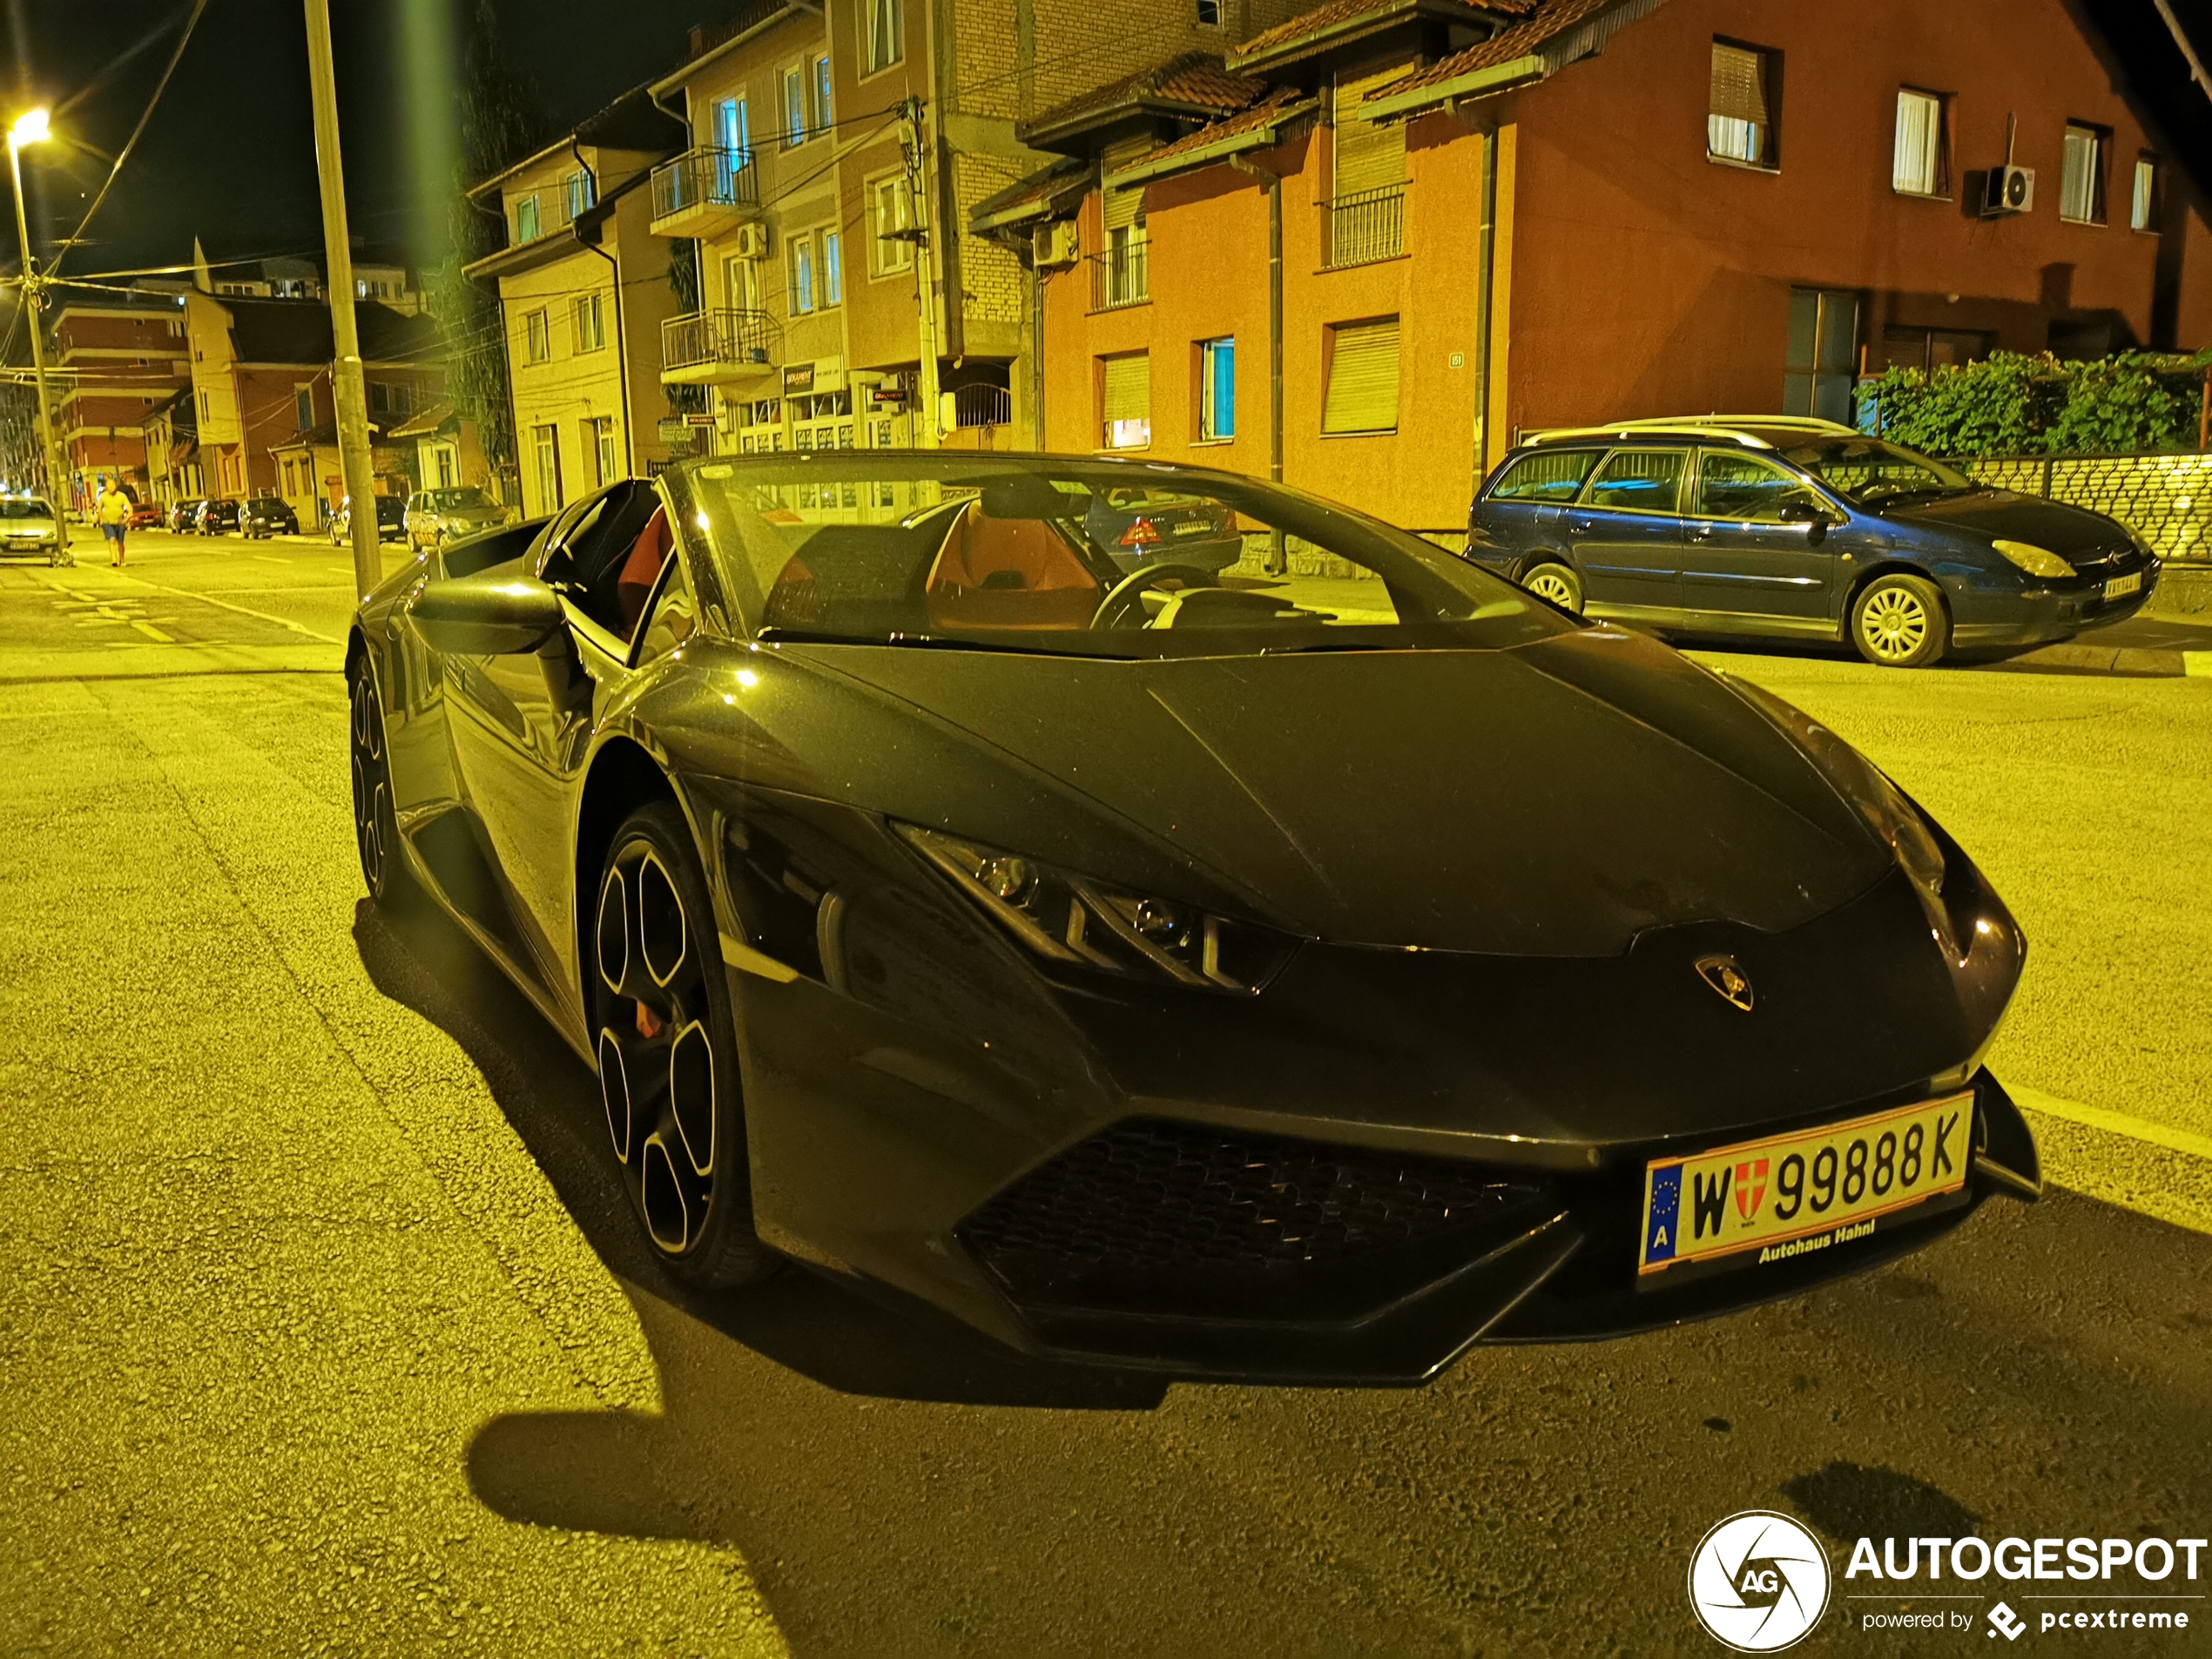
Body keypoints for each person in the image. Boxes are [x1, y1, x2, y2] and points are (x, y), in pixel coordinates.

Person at [97, 477, 132, 567]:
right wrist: (101, 518)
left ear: (116, 486)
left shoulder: (122, 496)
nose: (110, 488)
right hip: (107, 522)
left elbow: (130, 508)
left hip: (120, 522)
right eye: (108, 486)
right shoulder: (103, 496)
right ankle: (114, 560)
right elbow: (99, 507)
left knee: (120, 542)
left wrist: (127, 518)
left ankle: (122, 560)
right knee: (112, 539)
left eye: (112, 485)